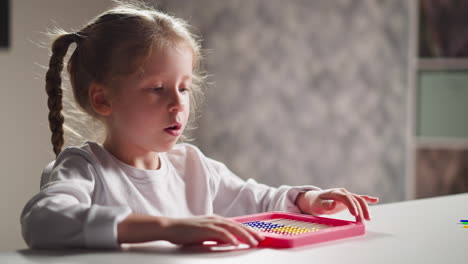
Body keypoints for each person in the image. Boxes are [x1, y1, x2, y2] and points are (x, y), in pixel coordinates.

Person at [20, 1, 379, 249]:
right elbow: (43, 220)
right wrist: (167, 228)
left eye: (184, 87)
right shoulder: (85, 169)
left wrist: (309, 199)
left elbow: (258, 199)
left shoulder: (192, 166)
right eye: (157, 89)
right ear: (103, 99)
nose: (177, 103)